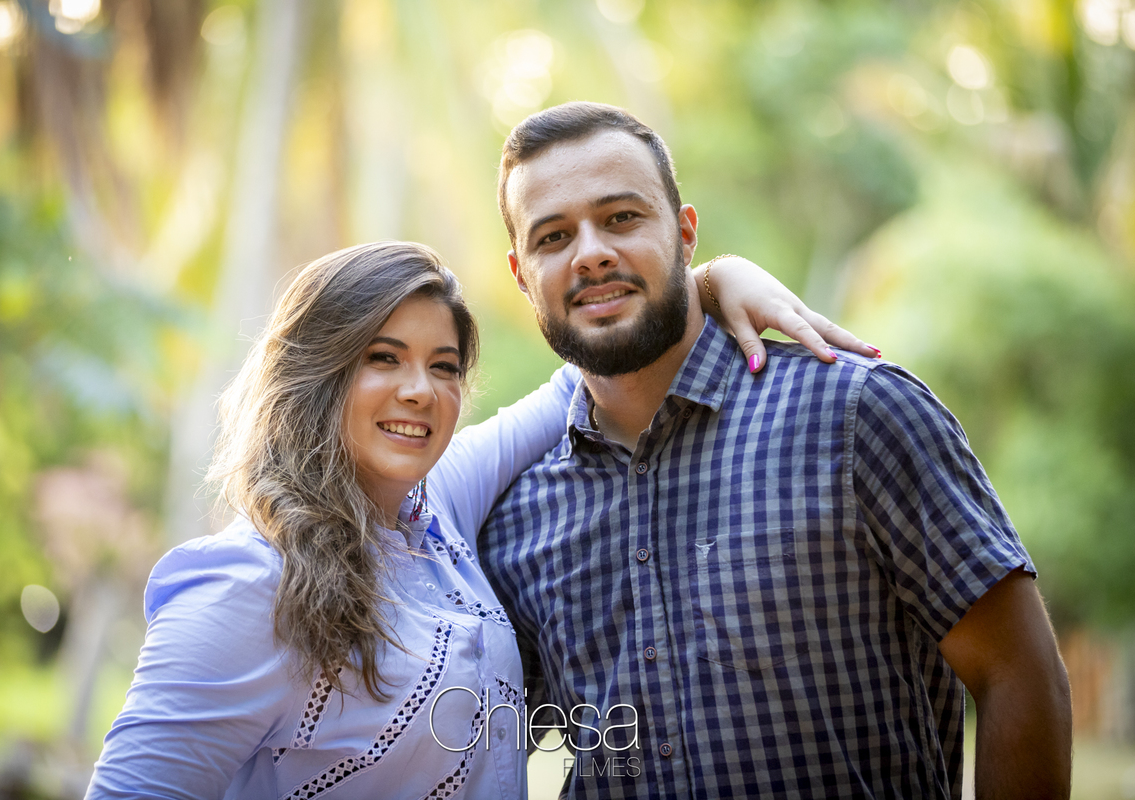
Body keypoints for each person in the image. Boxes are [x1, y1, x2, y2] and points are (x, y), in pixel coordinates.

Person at [85, 241, 868, 798]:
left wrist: (707, 281)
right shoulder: (247, 585)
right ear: (317, 372)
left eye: (445, 366)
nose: (421, 390)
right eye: (383, 357)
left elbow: (578, 381)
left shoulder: (438, 507)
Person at [454, 102, 1073, 799]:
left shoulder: (856, 415)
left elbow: (1018, 673)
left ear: (686, 234)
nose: (590, 252)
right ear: (521, 274)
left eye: (622, 217)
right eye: (554, 236)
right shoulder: (514, 519)